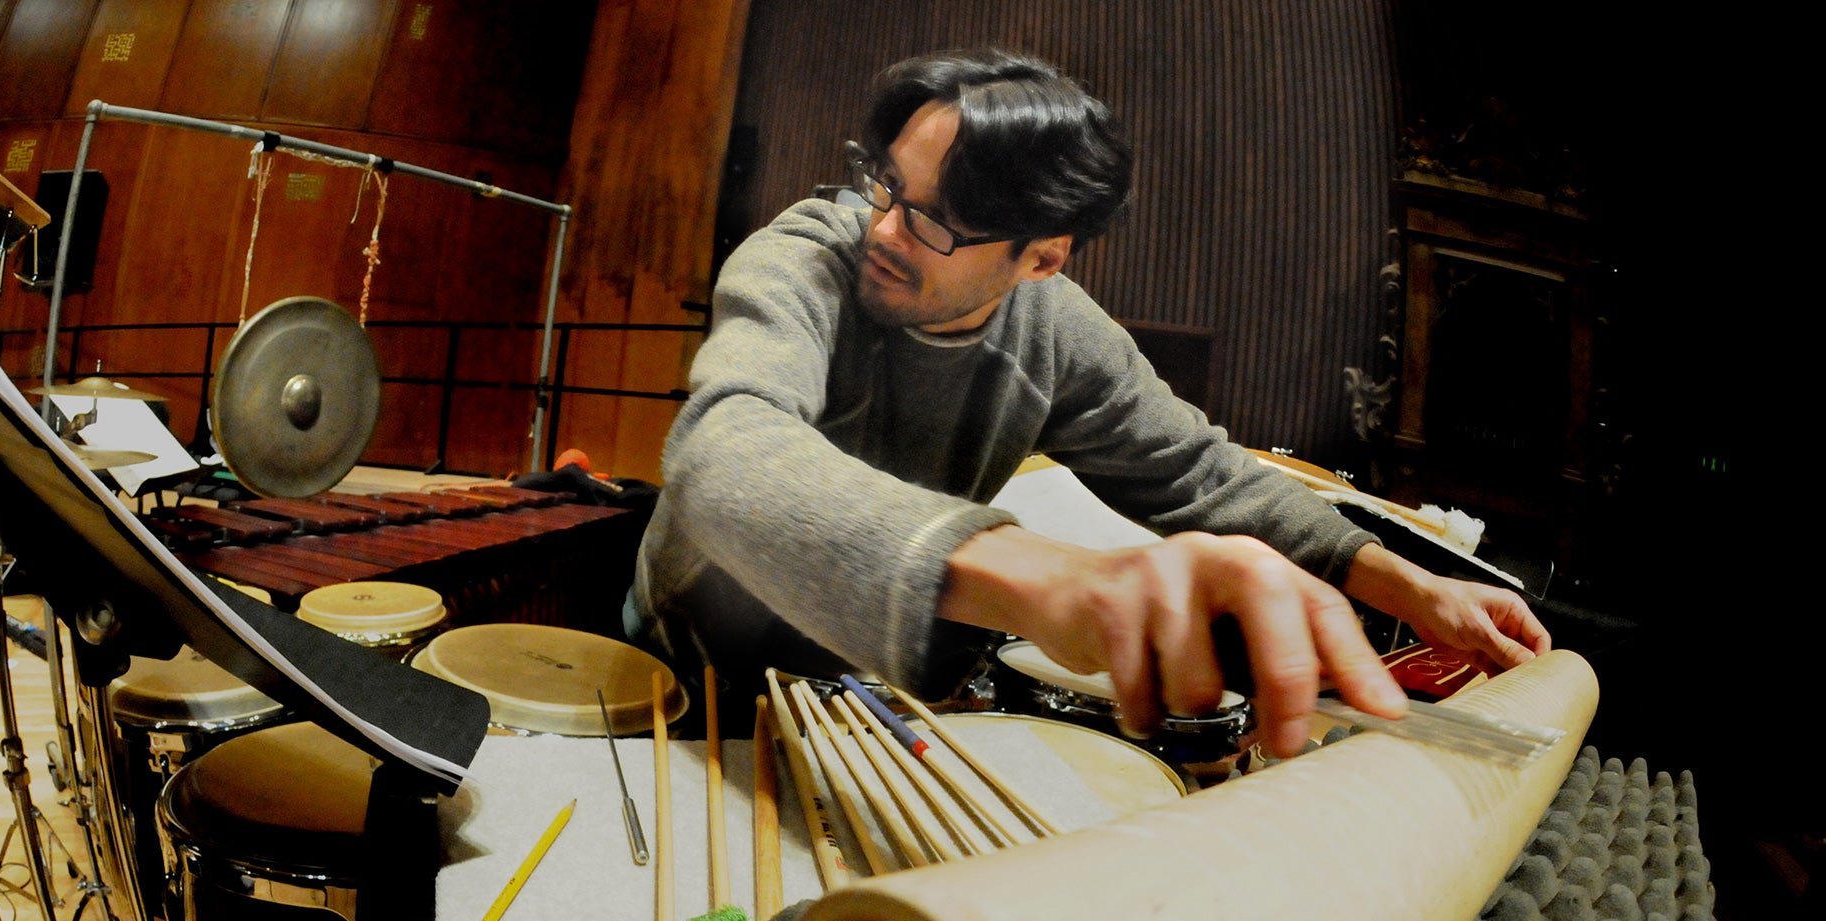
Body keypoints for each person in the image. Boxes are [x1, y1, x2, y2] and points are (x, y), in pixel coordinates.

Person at [630, 48, 1549, 756]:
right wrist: (1058, 582)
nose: (882, 229)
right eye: (887, 186)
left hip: (853, 687)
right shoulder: (806, 254)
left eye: (933, 220)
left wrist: (1412, 585)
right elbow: (723, 455)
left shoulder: (1061, 335)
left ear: (1041, 257)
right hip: (687, 664)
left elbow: (1202, 475)